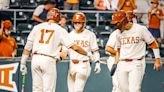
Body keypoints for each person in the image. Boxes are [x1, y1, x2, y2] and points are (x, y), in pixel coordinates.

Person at [20, 8, 93, 92]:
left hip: (35, 59)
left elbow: (27, 47)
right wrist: (87, 53)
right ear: (58, 18)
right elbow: (74, 47)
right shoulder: (60, 30)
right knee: (48, 90)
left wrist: (23, 63)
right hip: (48, 59)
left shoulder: (37, 27)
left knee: (36, 89)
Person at [111, 10, 162, 92]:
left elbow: (153, 43)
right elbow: (119, 50)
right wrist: (115, 63)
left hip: (136, 63)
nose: (116, 26)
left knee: (134, 90)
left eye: (117, 23)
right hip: (122, 63)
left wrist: (158, 59)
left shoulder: (140, 29)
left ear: (124, 20)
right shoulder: (118, 33)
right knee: (123, 90)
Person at [66, 12, 101, 92]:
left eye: (79, 22)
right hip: (71, 64)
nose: (77, 24)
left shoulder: (90, 34)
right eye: (75, 22)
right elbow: (65, 51)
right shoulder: (70, 35)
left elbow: (95, 51)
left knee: (78, 90)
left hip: (83, 64)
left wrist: (97, 62)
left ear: (84, 23)